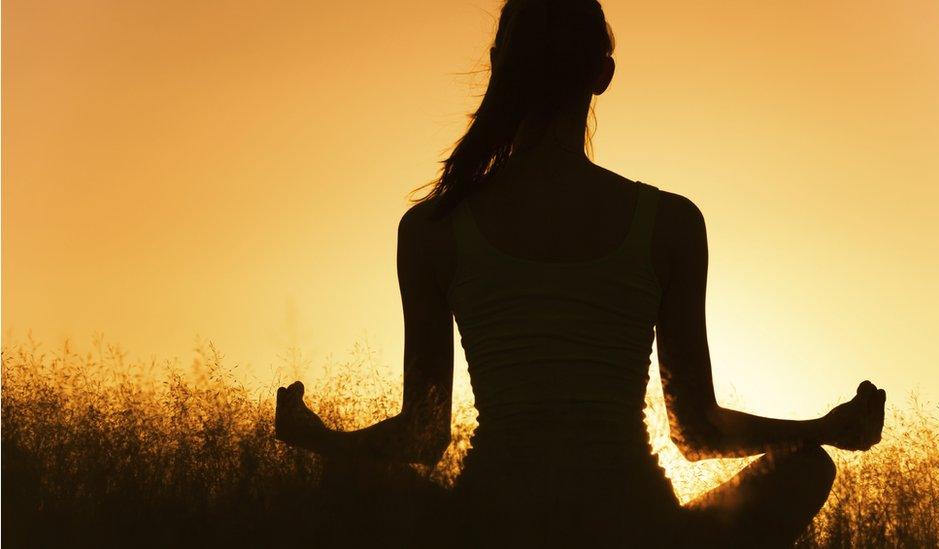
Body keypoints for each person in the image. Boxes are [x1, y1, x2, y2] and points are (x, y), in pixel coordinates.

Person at [274, 0, 886, 546]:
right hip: (639, 529)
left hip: (489, 526)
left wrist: (324, 442)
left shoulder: (433, 230)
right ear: (603, 76)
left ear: (497, 64)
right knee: (810, 464)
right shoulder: (669, 223)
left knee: (350, 481)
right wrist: (822, 428)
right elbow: (696, 431)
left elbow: (423, 435)